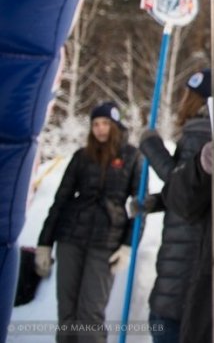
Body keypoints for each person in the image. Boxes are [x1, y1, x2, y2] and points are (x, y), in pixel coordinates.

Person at [34, 102, 142, 342]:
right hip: (70, 239)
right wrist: (44, 243)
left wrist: (127, 245)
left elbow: (140, 206)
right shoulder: (82, 157)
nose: (100, 129)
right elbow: (60, 201)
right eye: (95, 124)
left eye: (105, 123)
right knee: (67, 313)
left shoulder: (132, 157)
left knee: (90, 313)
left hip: (105, 243)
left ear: (115, 126)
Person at [137, 68, 213, 342]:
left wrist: (151, 147)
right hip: (183, 268)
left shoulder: (200, 134)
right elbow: (191, 190)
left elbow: (183, 190)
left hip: (182, 275)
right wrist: (155, 202)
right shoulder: (202, 133)